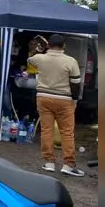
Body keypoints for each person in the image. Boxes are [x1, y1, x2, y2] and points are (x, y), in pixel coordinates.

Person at [28, 34, 84, 177]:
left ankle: (49, 162)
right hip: (64, 99)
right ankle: (68, 164)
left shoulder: (40, 59)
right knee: (67, 132)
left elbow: (30, 58)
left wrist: (42, 49)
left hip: (43, 97)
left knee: (46, 130)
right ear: (64, 46)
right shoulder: (71, 61)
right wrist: (74, 99)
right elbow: (76, 84)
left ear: (49, 45)